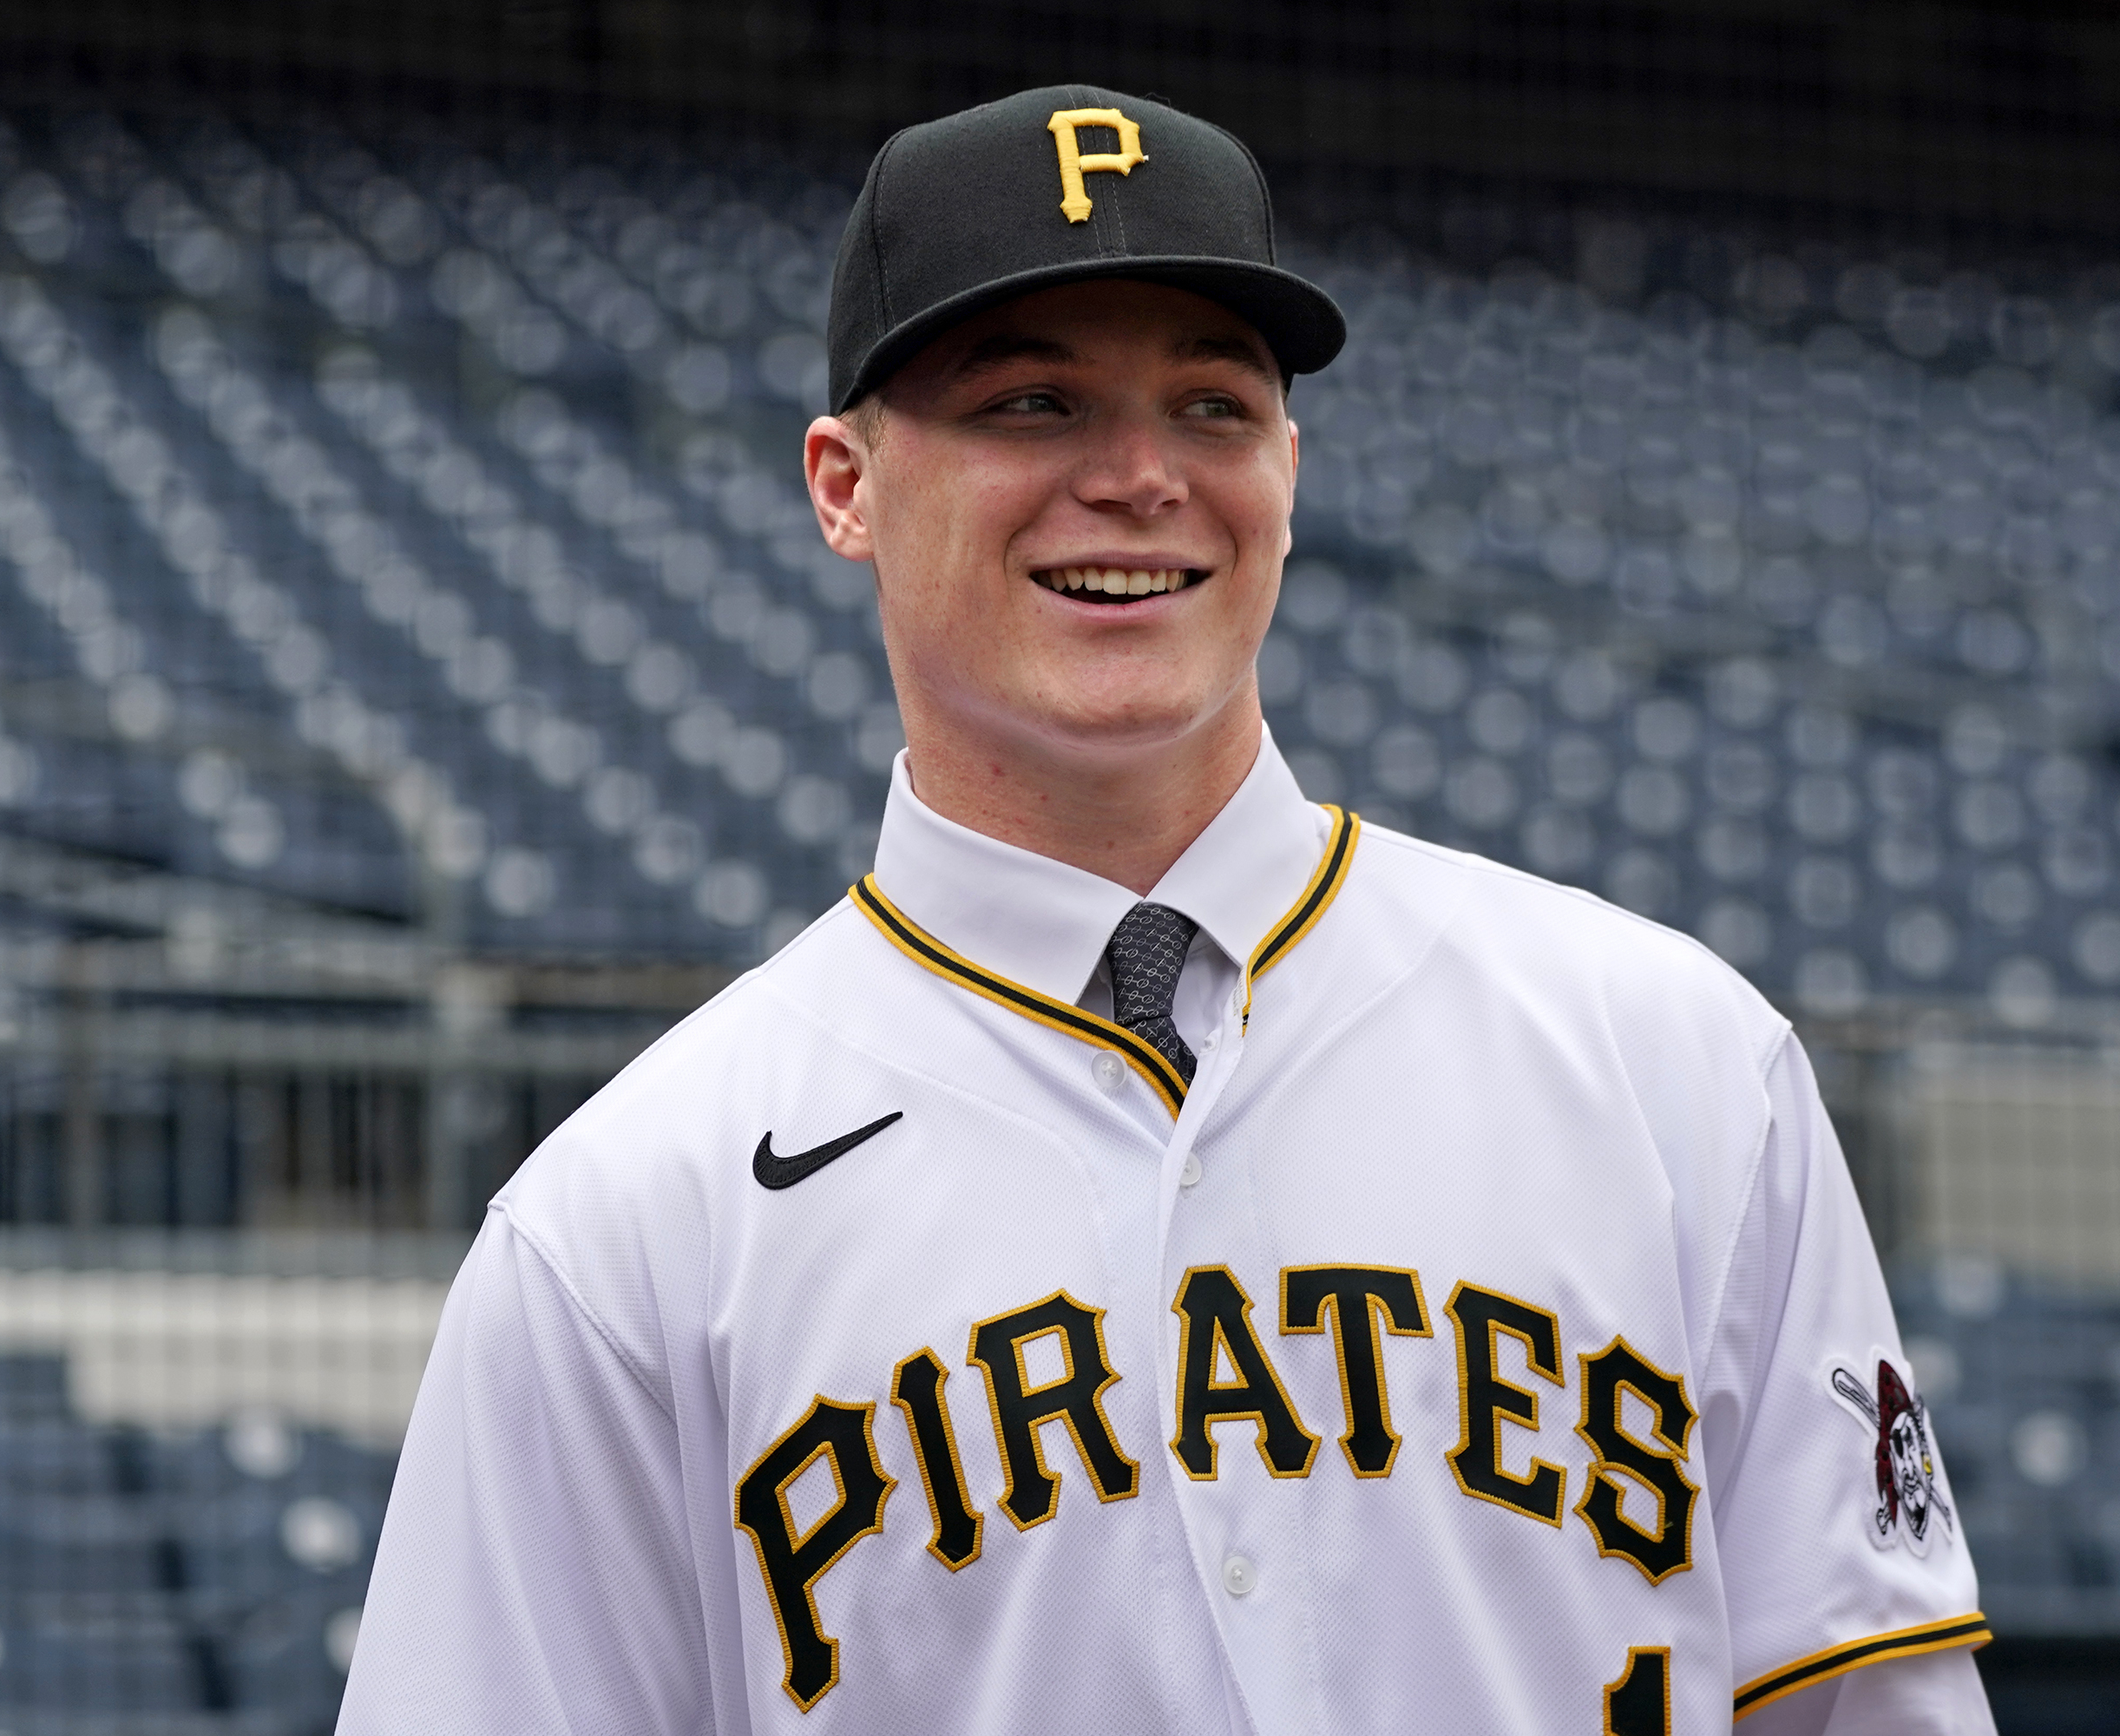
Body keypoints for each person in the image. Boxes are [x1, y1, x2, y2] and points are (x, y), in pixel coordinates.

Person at [339, 84, 1997, 1734]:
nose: (1138, 477)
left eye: (1211, 405)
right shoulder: (627, 1222)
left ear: (1290, 466)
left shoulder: (1678, 1058)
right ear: (845, 485)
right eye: (1033, 402)